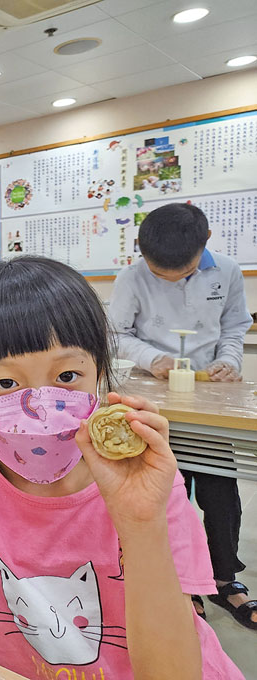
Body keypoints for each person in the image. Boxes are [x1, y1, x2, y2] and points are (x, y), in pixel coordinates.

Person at [0, 256, 243, 679]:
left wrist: (140, 522)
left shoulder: (145, 482)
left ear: (99, 372)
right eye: (6, 383)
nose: (41, 404)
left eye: (67, 376)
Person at [109, 203, 255, 629]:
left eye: (181, 272)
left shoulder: (226, 271)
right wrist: (154, 359)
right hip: (153, 395)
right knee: (165, 493)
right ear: (142, 251)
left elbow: (234, 325)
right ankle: (179, 581)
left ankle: (226, 579)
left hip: (208, 393)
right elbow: (115, 334)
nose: (169, 280)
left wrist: (229, 359)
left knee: (219, 492)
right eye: (160, 274)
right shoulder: (131, 277)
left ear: (205, 242)